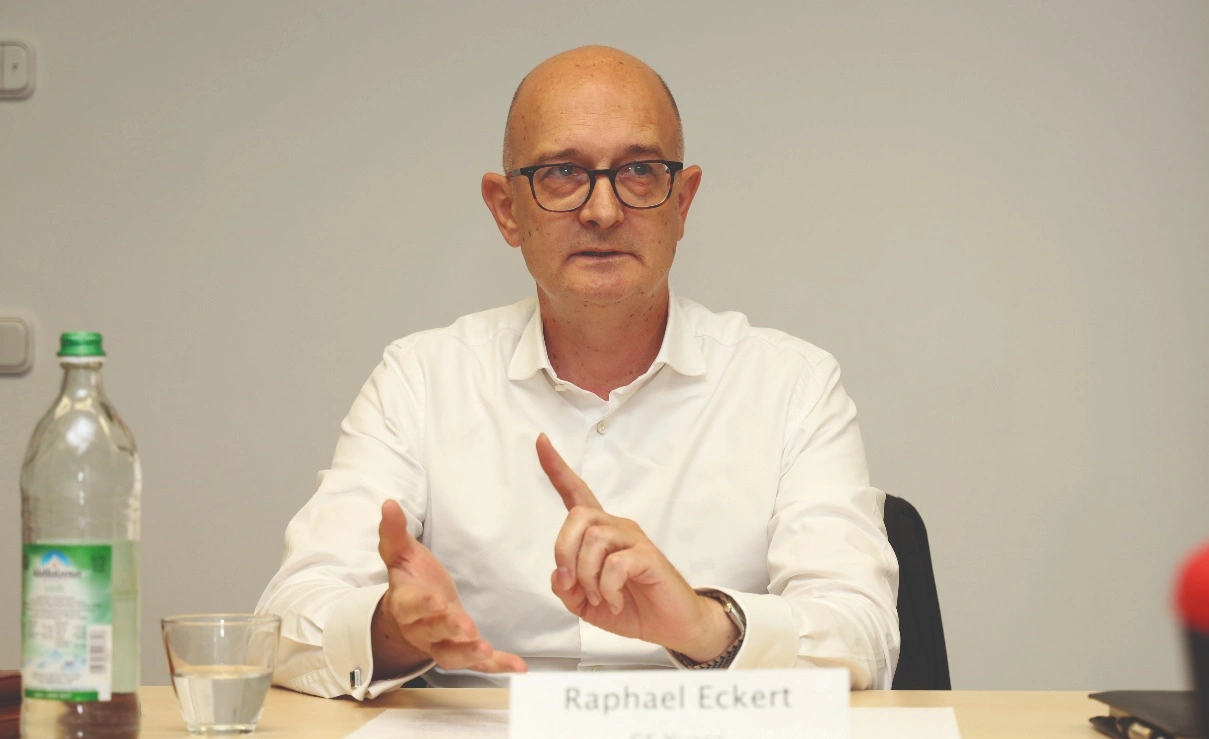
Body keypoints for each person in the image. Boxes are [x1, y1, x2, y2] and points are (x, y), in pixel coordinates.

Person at [256, 45, 900, 699]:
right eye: (563, 173)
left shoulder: (792, 385)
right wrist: (393, 630)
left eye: (639, 171)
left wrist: (707, 626)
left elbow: (864, 633)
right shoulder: (421, 382)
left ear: (682, 202)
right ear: (507, 208)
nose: (603, 211)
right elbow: (286, 621)